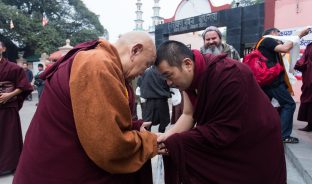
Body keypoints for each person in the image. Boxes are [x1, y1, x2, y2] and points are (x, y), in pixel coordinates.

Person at [13, 31, 158, 183]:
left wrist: (134, 126)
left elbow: (94, 118)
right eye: (146, 64)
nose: (143, 73)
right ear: (135, 50)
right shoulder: (97, 64)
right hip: (57, 169)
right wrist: (150, 142)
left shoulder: (105, 63)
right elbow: (109, 146)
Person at [155, 40, 286, 184]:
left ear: (187, 64)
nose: (168, 83)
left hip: (255, 139)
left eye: (168, 75)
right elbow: (188, 114)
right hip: (228, 134)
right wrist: (166, 137)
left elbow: (223, 130)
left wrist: (177, 142)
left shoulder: (231, 74)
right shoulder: (190, 78)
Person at [257, 27, 310, 143]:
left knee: (265, 107)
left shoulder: (262, 43)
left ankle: (263, 131)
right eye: (279, 35)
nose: (280, 38)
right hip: (273, 81)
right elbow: (285, 48)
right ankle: (284, 135)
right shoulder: (268, 39)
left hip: (267, 81)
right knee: (289, 105)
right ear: (273, 33)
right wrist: (299, 35)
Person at [0, 40, 33, 176]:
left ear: (3, 49)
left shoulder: (14, 67)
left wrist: (9, 95)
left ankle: (12, 164)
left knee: (10, 137)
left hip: (8, 107)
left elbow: (24, 86)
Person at [139, 66, 171, 133]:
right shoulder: (162, 72)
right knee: (163, 121)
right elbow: (168, 84)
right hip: (162, 101)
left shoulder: (146, 72)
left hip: (149, 101)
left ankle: (147, 138)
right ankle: (161, 136)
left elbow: (140, 83)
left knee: (147, 122)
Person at [295, 42, 312, 132]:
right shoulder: (310, 46)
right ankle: (310, 125)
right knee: (309, 100)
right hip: (309, 77)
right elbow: (303, 60)